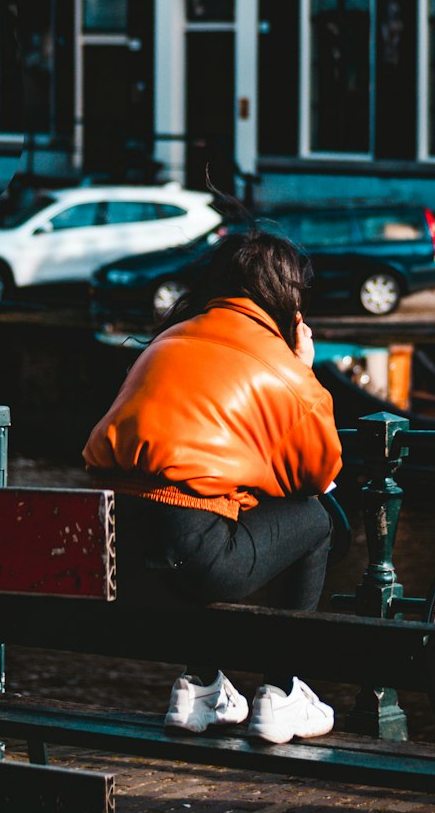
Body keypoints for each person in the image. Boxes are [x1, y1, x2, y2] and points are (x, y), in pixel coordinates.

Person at [82, 225, 343, 745]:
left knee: (216, 508)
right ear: (286, 297)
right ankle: (281, 692)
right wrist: (302, 370)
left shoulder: (168, 340)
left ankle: (200, 685)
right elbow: (321, 474)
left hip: (118, 557)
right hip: (195, 562)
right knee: (316, 520)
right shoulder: (281, 368)